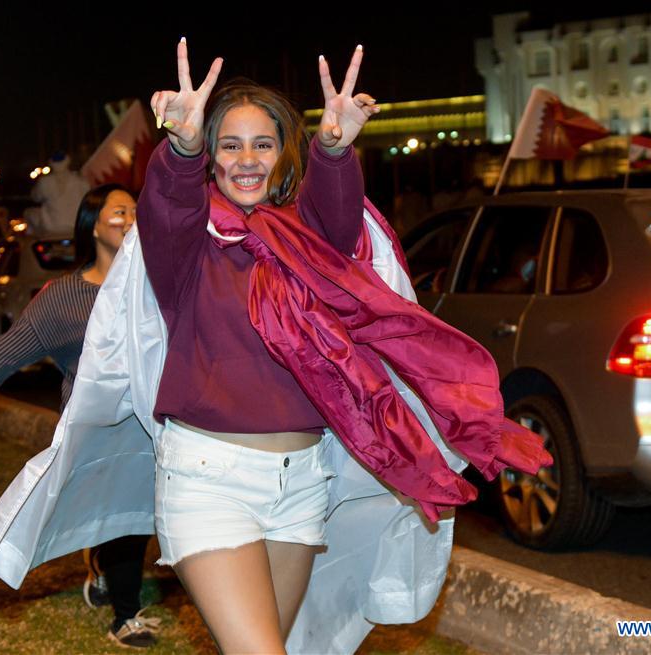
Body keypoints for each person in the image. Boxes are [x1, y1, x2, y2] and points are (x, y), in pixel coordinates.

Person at [137, 39, 552, 654]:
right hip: (208, 481)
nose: (247, 160)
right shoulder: (188, 246)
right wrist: (182, 145)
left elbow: (335, 217)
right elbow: (167, 202)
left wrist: (334, 148)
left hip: (301, 486)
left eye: (263, 144)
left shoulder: (307, 248)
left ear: (282, 156)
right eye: (229, 145)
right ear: (212, 160)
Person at [0, 185, 159, 649]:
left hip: (151, 424)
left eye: (136, 210)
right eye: (120, 211)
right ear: (93, 224)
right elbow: (11, 348)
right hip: (93, 429)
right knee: (126, 521)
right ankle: (126, 617)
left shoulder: (156, 287)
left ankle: (103, 572)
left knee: (141, 515)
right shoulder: (65, 297)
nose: (131, 218)